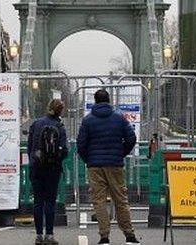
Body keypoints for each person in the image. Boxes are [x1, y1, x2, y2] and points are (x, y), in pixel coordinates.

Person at [77, 89, 139, 245]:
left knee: (99, 201)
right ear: (109, 100)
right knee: (121, 200)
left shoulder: (88, 120)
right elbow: (131, 138)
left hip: (95, 166)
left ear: (96, 101)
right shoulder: (119, 118)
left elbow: (81, 144)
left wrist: (89, 159)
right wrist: (121, 153)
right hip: (115, 165)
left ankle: (104, 236)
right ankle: (129, 234)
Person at [27, 98, 69, 245]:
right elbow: (65, 150)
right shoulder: (60, 126)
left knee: (38, 201)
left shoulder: (36, 124)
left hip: (36, 167)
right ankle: (49, 235)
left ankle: (38, 235)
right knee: (50, 202)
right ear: (60, 111)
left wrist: (34, 161)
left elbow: (30, 147)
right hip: (53, 168)